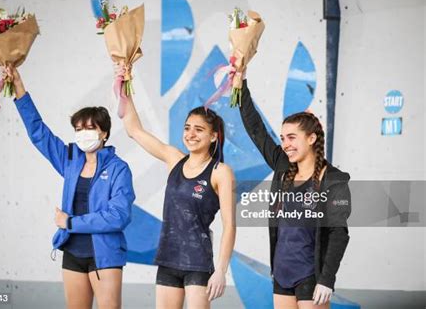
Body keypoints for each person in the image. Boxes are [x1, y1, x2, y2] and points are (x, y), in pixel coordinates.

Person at [4, 66, 135, 309]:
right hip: (72, 252)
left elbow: (118, 217)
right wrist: (19, 88)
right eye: (78, 129)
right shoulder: (71, 160)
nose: (83, 134)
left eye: (90, 128)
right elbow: (39, 133)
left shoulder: (119, 169)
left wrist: (70, 223)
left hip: (104, 255)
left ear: (104, 133)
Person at [115, 64, 236, 309]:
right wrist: (124, 83)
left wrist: (221, 270)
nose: (191, 134)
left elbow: (230, 225)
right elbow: (134, 130)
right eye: (187, 128)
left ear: (213, 136)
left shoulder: (220, 172)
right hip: (168, 260)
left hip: (199, 264)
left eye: (199, 130)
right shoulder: (174, 159)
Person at [238, 76, 351, 309]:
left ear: (311, 138)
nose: (285, 144)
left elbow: (339, 234)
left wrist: (327, 280)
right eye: (282, 138)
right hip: (282, 273)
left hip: (311, 274)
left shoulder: (334, 180)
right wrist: (241, 85)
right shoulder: (283, 167)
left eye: (292, 137)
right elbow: (256, 130)